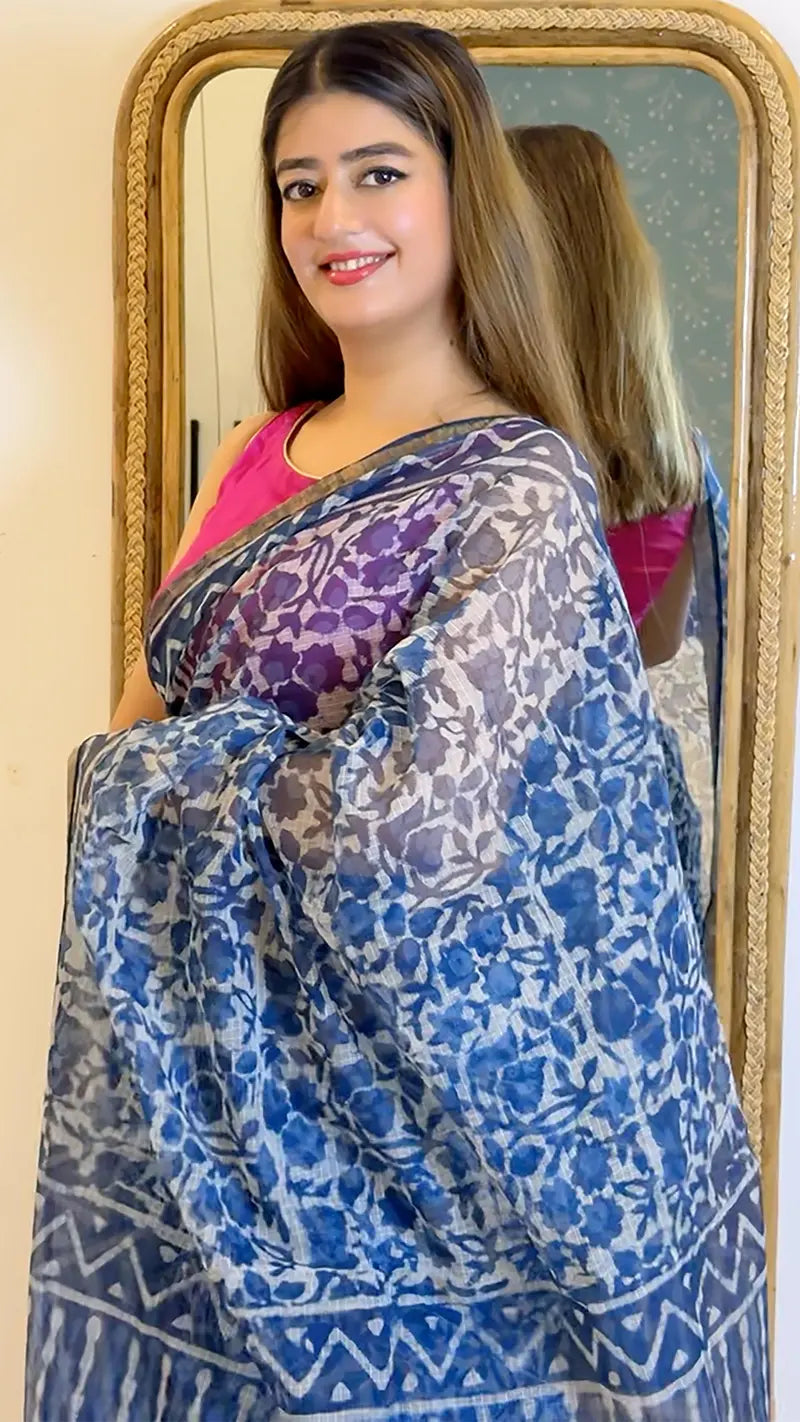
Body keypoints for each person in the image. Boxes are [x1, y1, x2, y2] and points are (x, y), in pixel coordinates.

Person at [27, 22, 766, 1422]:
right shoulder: (260, 451)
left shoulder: (524, 484)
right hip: (209, 1124)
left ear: (458, 191)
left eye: (378, 171)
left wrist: (185, 774)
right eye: (298, 185)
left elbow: (405, 826)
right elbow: (117, 746)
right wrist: (197, 774)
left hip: (426, 1165)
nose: (333, 219)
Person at [509, 122, 728, 932]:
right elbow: (660, 645)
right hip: (623, 789)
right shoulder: (676, 455)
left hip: (504, 804)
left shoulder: (492, 449)